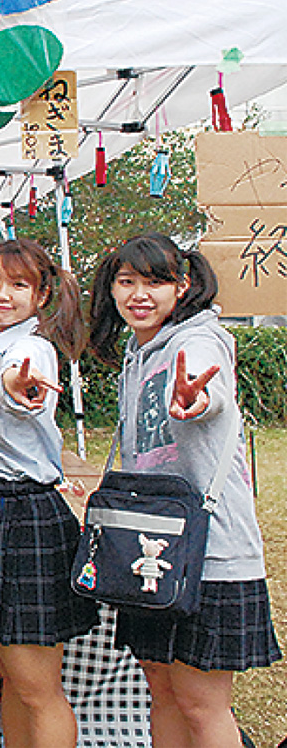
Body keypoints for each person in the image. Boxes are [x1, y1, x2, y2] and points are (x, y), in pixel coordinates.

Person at [88, 234, 280, 748]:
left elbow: (205, 383)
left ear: (183, 285)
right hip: (153, 547)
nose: (138, 294)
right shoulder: (136, 353)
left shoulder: (197, 339)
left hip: (211, 552)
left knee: (200, 702)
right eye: (126, 281)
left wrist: (196, 396)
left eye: (155, 282)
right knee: (161, 689)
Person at [0, 238, 99, 748]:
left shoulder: (29, 351)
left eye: (19, 285)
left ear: (41, 297)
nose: (2, 293)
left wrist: (22, 391)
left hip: (25, 516)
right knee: (10, 673)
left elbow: (25, 389)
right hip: (0, 513)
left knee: (37, 685)